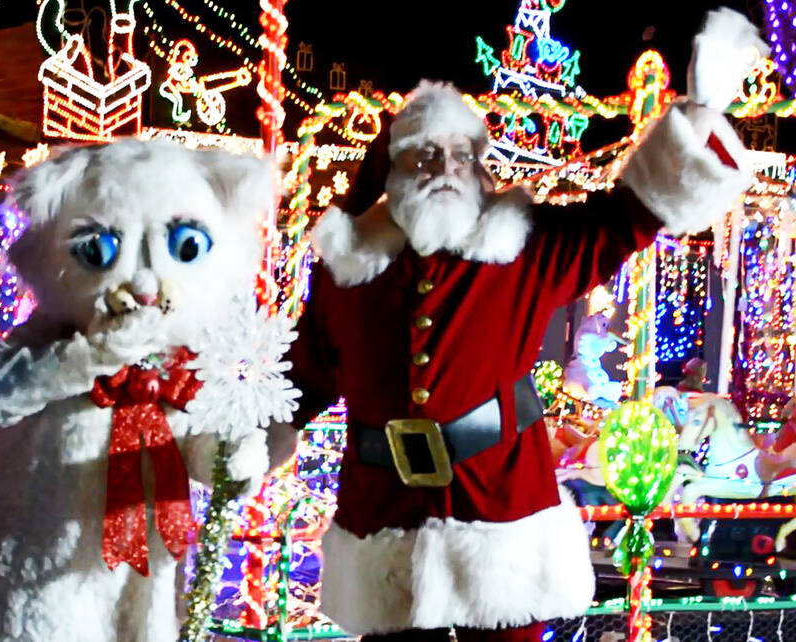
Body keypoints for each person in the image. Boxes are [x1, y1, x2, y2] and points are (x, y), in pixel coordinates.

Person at [282, 9, 763, 642]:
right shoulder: (349, 272)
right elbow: (302, 380)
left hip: (503, 512)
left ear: (481, 170)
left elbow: (625, 220)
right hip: (386, 518)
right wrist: (241, 436)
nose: (444, 170)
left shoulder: (524, 251)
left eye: (460, 156)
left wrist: (698, 117)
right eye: (424, 157)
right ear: (394, 172)